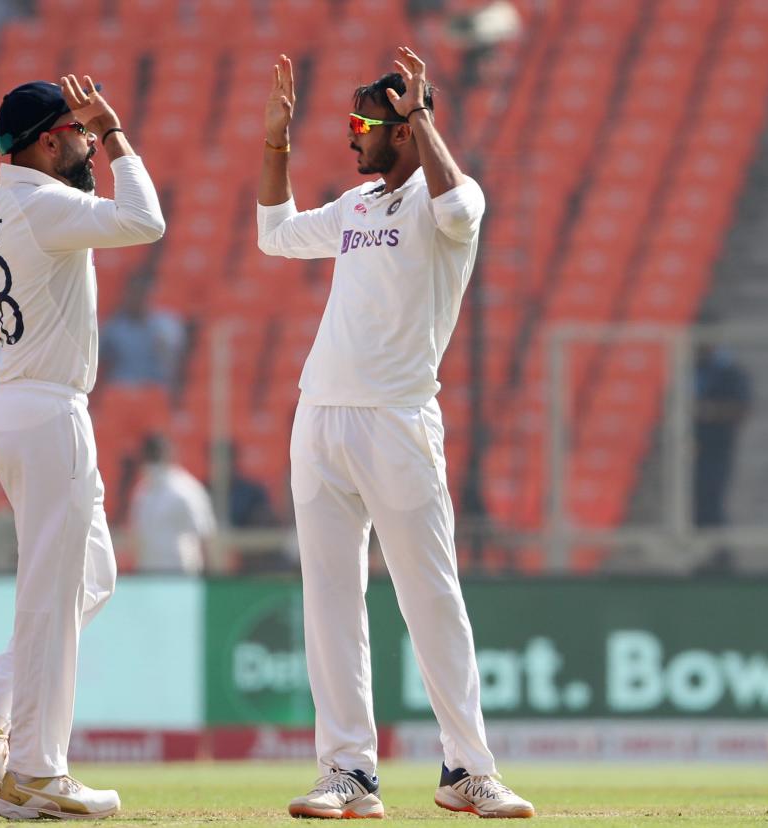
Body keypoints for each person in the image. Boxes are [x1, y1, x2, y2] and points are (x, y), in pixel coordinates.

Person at [256, 49, 534, 819]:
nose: (351, 140)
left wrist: (422, 119)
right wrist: (275, 142)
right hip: (321, 416)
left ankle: (467, 770)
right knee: (331, 599)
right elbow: (273, 235)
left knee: (431, 596)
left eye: (363, 126)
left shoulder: (450, 198)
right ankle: (347, 772)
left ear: (406, 130)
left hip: (399, 418)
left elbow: (458, 214)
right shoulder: (353, 206)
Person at [0, 76, 164, 821]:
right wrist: (121, 133)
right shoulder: (40, 202)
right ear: (44, 141)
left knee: (90, 574)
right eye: (78, 131)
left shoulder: (0, 206)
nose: (89, 140)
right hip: (47, 409)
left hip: (22, 404)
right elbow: (146, 220)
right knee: (50, 593)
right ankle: (37, 770)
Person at [129, 433, 216, 574]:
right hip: (148, 575)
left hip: (180, 575)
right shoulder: (142, 492)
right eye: (149, 455)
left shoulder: (186, 489)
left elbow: (205, 535)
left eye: (156, 455)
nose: (153, 461)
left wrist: (211, 576)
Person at [692, 344, 751, 527]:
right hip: (689, 447)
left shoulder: (730, 372)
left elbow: (741, 409)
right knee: (693, 502)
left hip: (715, 446)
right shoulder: (688, 369)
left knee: (710, 499)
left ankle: (717, 551)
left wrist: (708, 412)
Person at [98, 273, 185, 389]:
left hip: (156, 389)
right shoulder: (115, 328)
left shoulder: (166, 326)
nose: (137, 299)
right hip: (122, 388)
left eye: (142, 294)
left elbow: (177, 362)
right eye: (134, 294)